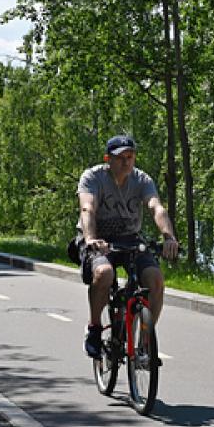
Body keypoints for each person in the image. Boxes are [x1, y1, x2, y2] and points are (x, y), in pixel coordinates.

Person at [77, 135, 179, 358]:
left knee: (155, 279)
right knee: (104, 273)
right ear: (108, 159)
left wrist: (168, 236)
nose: (126, 162)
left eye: (130, 157)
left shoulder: (142, 180)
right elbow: (87, 209)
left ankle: (144, 343)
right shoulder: (93, 177)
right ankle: (94, 328)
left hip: (130, 238)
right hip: (99, 240)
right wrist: (91, 238)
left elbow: (156, 208)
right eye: (120, 157)